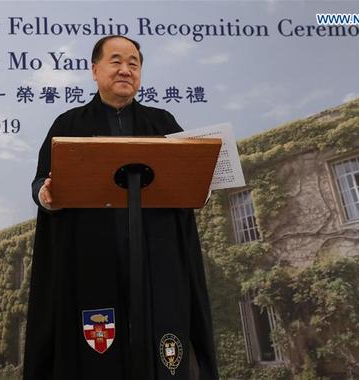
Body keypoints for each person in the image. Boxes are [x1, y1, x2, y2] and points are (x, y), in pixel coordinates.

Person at [24, 35, 218, 380]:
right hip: (93, 261)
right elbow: (41, 181)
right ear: (95, 70)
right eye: (116, 61)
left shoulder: (163, 124)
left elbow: (187, 182)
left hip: (156, 261)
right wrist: (46, 195)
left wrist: (201, 185)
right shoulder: (69, 125)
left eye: (134, 63)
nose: (126, 70)